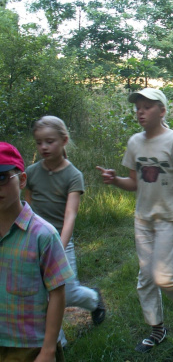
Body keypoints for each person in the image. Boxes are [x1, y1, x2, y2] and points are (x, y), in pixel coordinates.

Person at [96, 88, 173, 353]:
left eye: (147, 106)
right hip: (143, 220)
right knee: (146, 278)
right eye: (138, 107)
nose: (140, 111)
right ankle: (157, 329)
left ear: (162, 110)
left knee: (162, 276)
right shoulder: (135, 142)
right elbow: (134, 183)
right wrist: (115, 181)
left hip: (169, 218)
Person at [25, 116, 106, 347]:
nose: (43, 147)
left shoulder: (73, 176)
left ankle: (93, 299)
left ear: (64, 141)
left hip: (61, 241)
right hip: (34, 242)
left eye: (49, 141)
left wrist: (59, 245)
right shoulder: (31, 172)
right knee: (41, 295)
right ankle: (57, 343)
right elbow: (28, 210)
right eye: (39, 142)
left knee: (67, 293)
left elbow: (70, 214)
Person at [0, 142, 74, 362]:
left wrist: (48, 350)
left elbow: (58, 293)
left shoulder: (43, 235)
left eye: (2, 178)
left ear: (22, 180)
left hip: (30, 346)